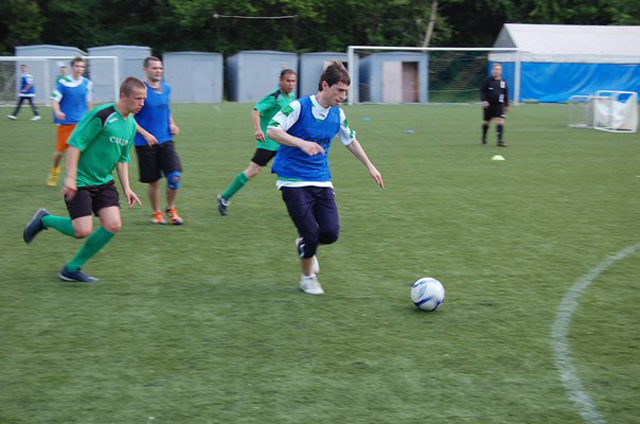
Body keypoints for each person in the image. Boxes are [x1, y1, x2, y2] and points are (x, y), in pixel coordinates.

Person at [267, 61, 384, 295]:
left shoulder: (338, 115)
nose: (343, 96)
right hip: (292, 179)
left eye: (346, 92)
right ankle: (307, 277)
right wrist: (301, 143)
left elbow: (350, 140)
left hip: (321, 179)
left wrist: (370, 166)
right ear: (324, 85)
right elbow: (272, 130)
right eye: (339, 90)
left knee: (330, 233)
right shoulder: (299, 107)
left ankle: (304, 245)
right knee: (311, 233)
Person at [23, 77, 146, 283]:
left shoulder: (131, 124)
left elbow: (122, 159)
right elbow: (75, 143)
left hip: (104, 182)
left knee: (113, 225)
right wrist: (71, 178)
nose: (142, 103)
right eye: (138, 98)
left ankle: (71, 269)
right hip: (81, 180)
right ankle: (44, 220)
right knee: (81, 230)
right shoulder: (103, 115)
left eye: (144, 99)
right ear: (123, 96)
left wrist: (127, 188)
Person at [217, 69, 297, 215]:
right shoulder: (274, 97)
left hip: (282, 141)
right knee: (252, 171)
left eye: (293, 81)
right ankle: (224, 198)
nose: (291, 84)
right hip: (268, 142)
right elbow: (256, 110)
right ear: (280, 80)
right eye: (288, 81)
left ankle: (301, 205)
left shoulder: (291, 97)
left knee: (293, 170)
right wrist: (257, 129)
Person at [133, 56, 184, 225]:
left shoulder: (166, 88)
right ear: (145, 70)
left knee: (174, 176)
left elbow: (167, 109)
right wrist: (145, 134)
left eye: (160, 68)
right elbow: (129, 117)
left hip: (165, 140)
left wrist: (172, 124)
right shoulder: (140, 90)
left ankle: (171, 208)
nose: (158, 71)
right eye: (154, 68)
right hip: (144, 143)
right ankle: (157, 214)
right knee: (153, 181)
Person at [47, 57, 93, 186]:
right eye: (77, 66)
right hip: (65, 124)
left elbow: (89, 102)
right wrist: (57, 112)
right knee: (60, 153)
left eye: (82, 67)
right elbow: (55, 100)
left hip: (81, 124)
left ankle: (77, 178)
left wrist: (91, 116)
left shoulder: (87, 83)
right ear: (72, 67)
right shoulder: (63, 82)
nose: (79, 69)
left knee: (82, 152)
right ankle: (54, 171)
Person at [480, 63, 509, 147]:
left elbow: (505, 93)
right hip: (489, 105)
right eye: (495, 69)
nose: (497, 71)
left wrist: (506, 105)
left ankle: (500, 141)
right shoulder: (487, 80)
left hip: (499, 105)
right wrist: (484, 100)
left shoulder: (503, 82)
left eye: (498, 69)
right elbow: (482, 91)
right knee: (486, 122)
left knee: (500, 121)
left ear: (501, 71)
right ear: (492, 70)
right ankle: (484, 137)